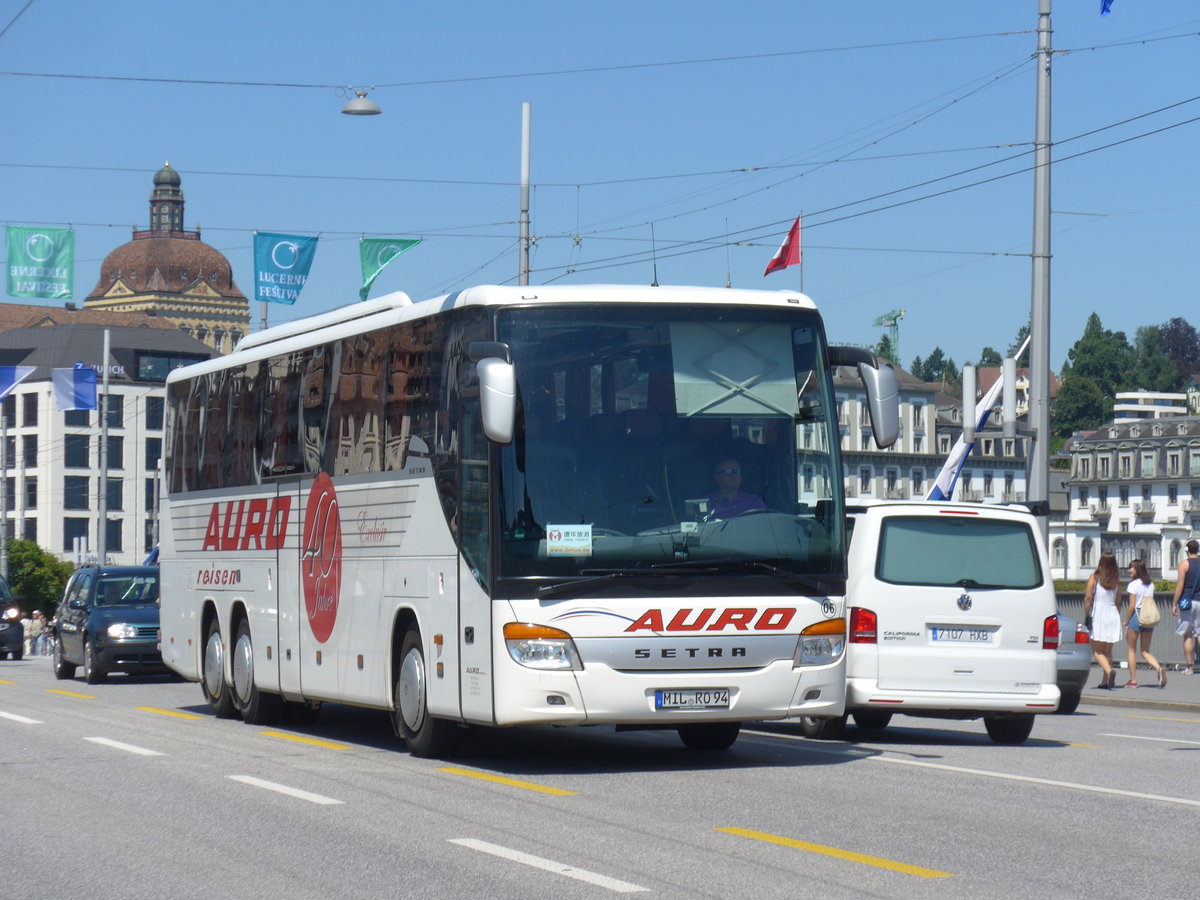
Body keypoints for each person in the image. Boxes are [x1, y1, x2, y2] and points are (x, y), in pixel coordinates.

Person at [1123, 559, 1166, 688]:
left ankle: (1133, 680)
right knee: (1145, 650)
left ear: (1138, 570)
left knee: (1131, 649)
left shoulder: (1133, 585)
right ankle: (1158, 668)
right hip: (1148, 616)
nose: (1129, 570)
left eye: (1132, 568)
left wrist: (1126, 621)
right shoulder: (1150, 584)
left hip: (1136, 615)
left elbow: (1131, 606)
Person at [1082, 554, 1122, 689]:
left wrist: (1087, 613)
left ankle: (1110, 672)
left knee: (1097, 652)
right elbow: (1118, 602)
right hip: (1113, 614)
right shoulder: (1116, 580)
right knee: (1107, 651)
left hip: (1099, 614)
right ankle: (1106, 681)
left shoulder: (1095, 577)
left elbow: (1088, 598)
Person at [1171, 538, 1200, 675]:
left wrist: (1174, 603)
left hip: (1187, 603)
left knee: (1188, 633)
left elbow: (1180, 586)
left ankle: (1189, 667)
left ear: (1187, 550)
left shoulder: (1183, 564)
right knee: (1199, 633)